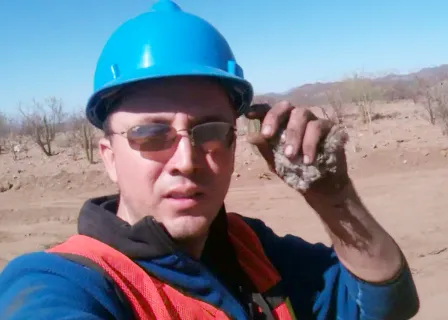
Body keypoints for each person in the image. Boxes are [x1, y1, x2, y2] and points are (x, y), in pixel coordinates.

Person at [0, 1, 419, 319]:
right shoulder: (63, 282)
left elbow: (386, 303)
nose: (187, 160)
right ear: (109, 157)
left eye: (211, 132)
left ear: (236, 143)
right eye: (150, 134)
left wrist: (334, 196)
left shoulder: (254, 250)